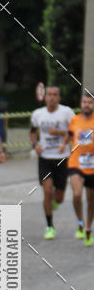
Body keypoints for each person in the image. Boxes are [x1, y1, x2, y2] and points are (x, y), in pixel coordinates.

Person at [29, 86, 73, 240]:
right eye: (49, 95)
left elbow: (73, 131)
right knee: (47, 190)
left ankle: (55, 200)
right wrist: (35, 146)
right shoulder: (38, 114)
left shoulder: (67, 112)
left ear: (59, 98)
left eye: (55, 95)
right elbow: (33, 132)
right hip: (45, 159)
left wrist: (60, 135)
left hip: (62, 158)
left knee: (59, 197)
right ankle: (49, 226)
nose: (52, 98)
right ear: (45, 97)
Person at [62, 92, 94, 246]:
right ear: (81, 104)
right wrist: (63, 144)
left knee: (91, 201)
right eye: (84, 102)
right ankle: (80, 222)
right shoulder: (74, 120)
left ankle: (88, 228)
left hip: (92, 166)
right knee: (76, 193)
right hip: (76, 163)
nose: (86, 105)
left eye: (90, 102)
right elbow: (69, 135)